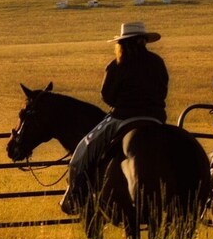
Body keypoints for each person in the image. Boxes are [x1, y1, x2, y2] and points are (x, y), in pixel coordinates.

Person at [60, 21, 169, 215]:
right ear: (143, 41)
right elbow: (163, 90)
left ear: (122, 44)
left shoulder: (116, 65)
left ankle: (77, 195)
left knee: (83, 150)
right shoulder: (157, 62)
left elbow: (106, 95)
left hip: (123, 118)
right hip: (155, 118)